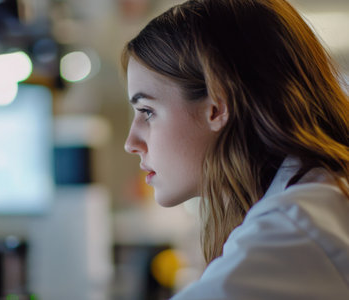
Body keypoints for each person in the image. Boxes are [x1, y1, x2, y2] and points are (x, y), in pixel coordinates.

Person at [122, 0, 349, 299]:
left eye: (148, 111)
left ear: (218, 106)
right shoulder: (312, 201)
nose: (131, 143)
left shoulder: (293, 231)